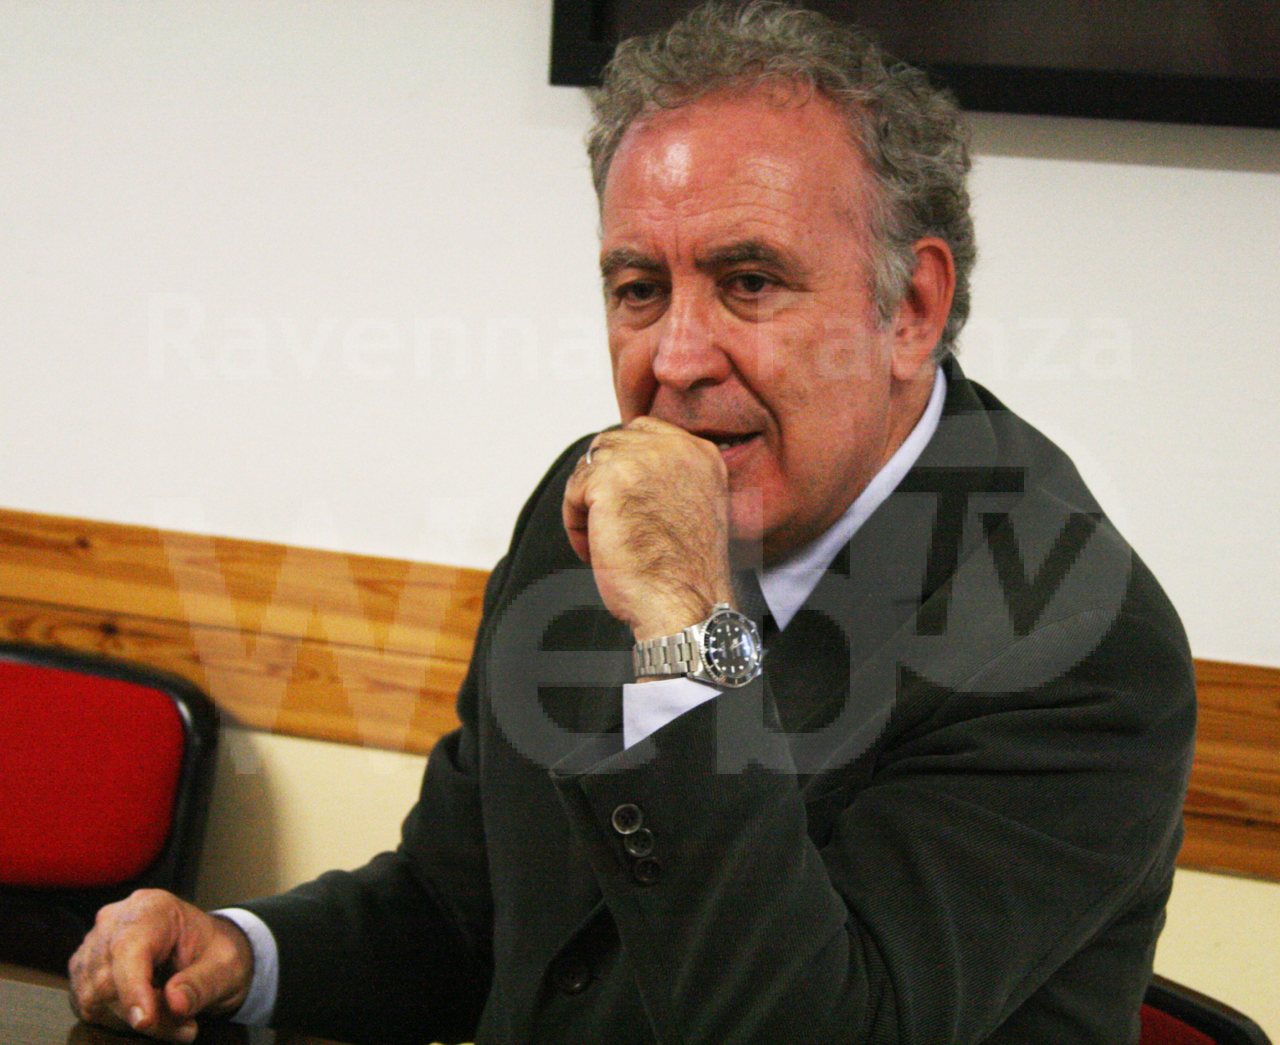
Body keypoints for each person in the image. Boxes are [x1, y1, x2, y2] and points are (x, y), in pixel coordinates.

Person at [69, 3, 1196, 1043]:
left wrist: (687, 630)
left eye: (749, 282)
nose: (676, 359)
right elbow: (464, 912)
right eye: (638, 288)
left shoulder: (1075, 638)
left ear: (909, 309)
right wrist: (246, 953)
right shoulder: (593, 507)